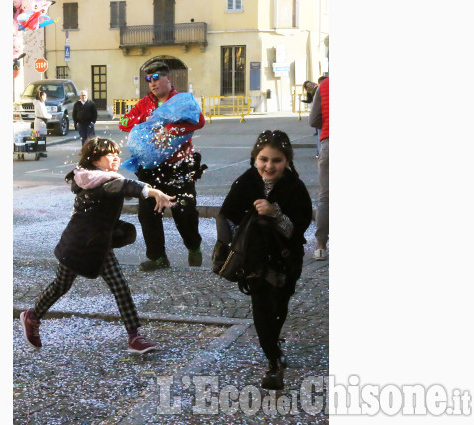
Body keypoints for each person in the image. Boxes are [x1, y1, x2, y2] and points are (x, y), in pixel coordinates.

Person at [19, 137, 177, 353]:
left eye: (117, 154)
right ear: (95, 159)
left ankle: (134, 337)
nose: (116, 158)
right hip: (78, 244)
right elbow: (125, 186)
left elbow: (120, 188)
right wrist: (152, 191)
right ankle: (32, 316)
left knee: (119, 286)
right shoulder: (101, 181)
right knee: (61, 285)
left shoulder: (94, 178)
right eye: (110, 154)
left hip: (99, 244)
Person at [214, 130, 312, 390]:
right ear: (255, 159)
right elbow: (226, 216)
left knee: (278, 308)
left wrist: (275, 213)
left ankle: (274, 344)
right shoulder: (246, 181)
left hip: (284, 261)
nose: (269, 166)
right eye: (264, 159)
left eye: (276, 160)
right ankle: (273, 360)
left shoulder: (295, 187)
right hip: (255, 263)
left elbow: (297, 230)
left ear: (287, 161)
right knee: (261, 308)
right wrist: (228, 247)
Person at [119, 61, 206, 271]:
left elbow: (199, 121)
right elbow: (123, 122)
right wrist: (145, 119)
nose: (152, 83)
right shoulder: (144, 104)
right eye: (149, 79)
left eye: (157, 78)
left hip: (180, 167)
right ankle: (157, 257)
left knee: (184, 213)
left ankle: (193, 246)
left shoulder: (181, 100)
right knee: (148, 213)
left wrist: (169, 129)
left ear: (169, 79)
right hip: (150, 169)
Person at [309, 77, 329, 261]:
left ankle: (321, 246)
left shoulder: (323, 86)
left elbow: (313, 119)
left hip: (328, 143)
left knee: (325, 197)